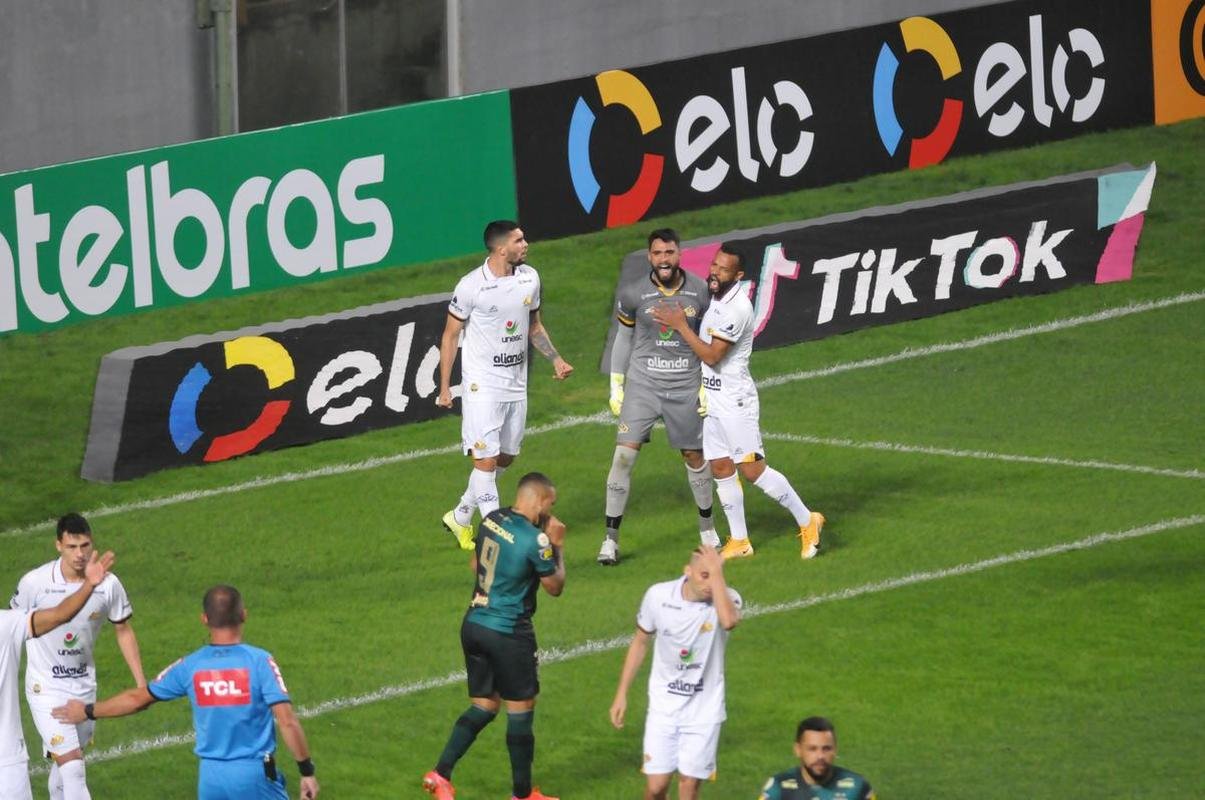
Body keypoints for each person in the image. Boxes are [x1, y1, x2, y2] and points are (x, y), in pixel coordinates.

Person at [52, 586, 319, 800]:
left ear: (204, 619)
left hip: (210, 779)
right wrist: (306, 771)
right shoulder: (260, 661)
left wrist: (86, 710)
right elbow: (286, 720)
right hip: (253, 776)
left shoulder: (190, 666)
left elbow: (138, 699)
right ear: (244, 615)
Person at [652, 242, 824, 560]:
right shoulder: (715, 297)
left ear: (739, 275)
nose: (715, 271)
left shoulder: (737, 308)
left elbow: (713, 355)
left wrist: (679, 327)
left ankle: (808, 519)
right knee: (719, 465)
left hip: (735, 401)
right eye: (714, 265)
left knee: (753, 471)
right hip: (713, 399)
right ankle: (740, 540)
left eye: (723, 269)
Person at [423, 471, 566, 800]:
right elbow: (555, 586)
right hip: (508, 632)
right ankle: (522, 795)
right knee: (521, 709)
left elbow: (476, 565)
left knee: (485, 705)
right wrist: (557, 545)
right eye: (549, 504)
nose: (549, 512)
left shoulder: (491, 519)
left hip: (474, 623)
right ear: (538, 500)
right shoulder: (537, 539)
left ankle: (440, 774)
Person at [437, 220, 574, 551]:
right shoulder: (471, 286)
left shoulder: (530, 277)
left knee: (506, 458)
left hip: (516, 383)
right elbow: (450, 335)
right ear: (501, 249)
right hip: (482, 385)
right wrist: (444, 387)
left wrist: (555, 359)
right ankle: (496, 532)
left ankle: (460, 515)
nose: (526, 244)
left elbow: (534, 325)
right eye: (519, 240)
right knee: (485, 461)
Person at [599, 228, 717, 566]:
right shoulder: (634, 293)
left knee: (694, 457)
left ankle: (707, 530)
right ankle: (610, 540)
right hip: (644, 385)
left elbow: (710, 339)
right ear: (649, 257)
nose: (663, 259)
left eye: (669, 253)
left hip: (685, 385)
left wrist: (707, 382)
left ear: (679, 254)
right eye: (657, 254)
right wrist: (617, 384)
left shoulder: (700, 292)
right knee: (623, 457)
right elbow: (623, 339)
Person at [9, 513, 144, 800]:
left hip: (83, 686)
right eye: (72, 547)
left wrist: (141, 683)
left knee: (67, 768)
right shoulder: (35, 583)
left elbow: (123, 629)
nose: (79, 554)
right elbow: (12, 628)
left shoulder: (108, 584)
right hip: (45, 687)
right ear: (58, 545)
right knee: (72, 767)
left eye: (85, 545)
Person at [609, 545, 741, 800]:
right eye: (704, 575)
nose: (709, 583)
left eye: (715, 575)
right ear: (687, 571)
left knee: (688, 788)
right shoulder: (658, 597)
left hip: (704, 711)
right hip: (664, 707)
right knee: (656, 788)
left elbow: (729, 622)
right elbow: (640, 642)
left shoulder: (727, 599)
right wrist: (621, 694)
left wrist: (716, 575)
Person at [757, 717, 877, 799]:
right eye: (812, 749)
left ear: (835, 749)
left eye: (826, 749)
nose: (820, 756)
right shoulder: (778, 788)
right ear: (798, 750)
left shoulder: (857, 787)